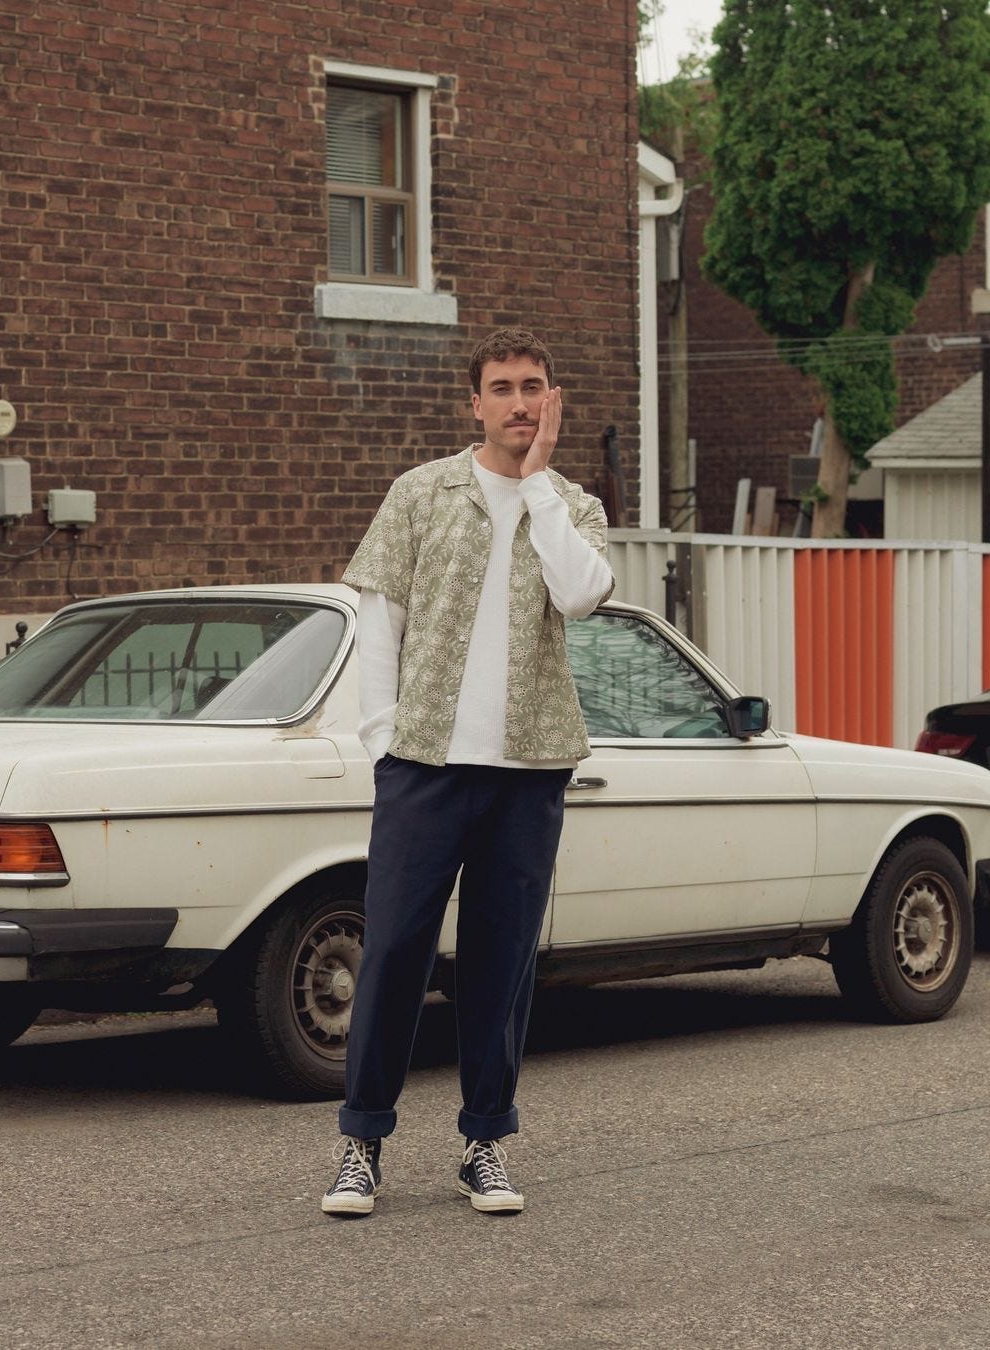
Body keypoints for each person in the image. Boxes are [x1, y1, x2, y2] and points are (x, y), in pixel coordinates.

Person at [322, 327, 614, 1217]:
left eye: (535, 385)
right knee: (396, 952)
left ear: (552, 398)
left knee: (503, 960)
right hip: (425, 763)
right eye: (503, 387)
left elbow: (582, 594)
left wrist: (538, 492)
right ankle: (360, 1143)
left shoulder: (574, 504)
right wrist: (384, 739)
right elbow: (381, 616)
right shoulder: (421, 492)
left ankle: (485, 1141)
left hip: (530, 768)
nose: (521, 402)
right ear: (474, 402)